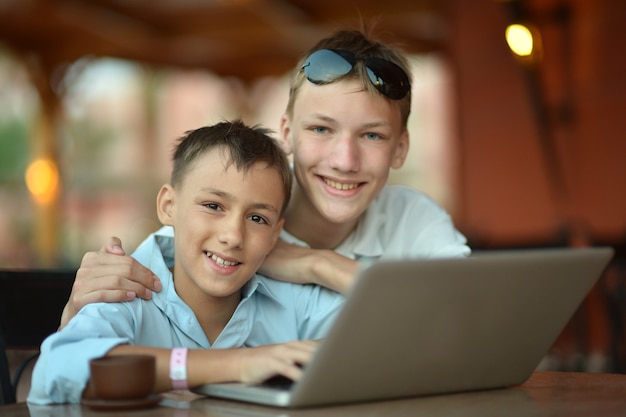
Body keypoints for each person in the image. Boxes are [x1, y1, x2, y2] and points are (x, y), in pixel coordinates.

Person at [58, 28, 470, 329]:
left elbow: (469, 322)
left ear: (400, 148)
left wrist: (319, 264)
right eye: (321, 129)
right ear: (287, 132)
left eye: (372, 135)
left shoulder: (413, 219)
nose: (345, 160)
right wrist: (74, 315)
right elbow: (112, 347)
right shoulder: (225, 231)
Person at [28, 121, 344, 405]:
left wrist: (322, 265)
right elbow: (57, 367)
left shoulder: (295, 300)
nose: (233, 236)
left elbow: (386, 345)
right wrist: (240, 365)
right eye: (213, 205)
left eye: (257, 218)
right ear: (168, 206)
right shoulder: (126, 287)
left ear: (276, 234)